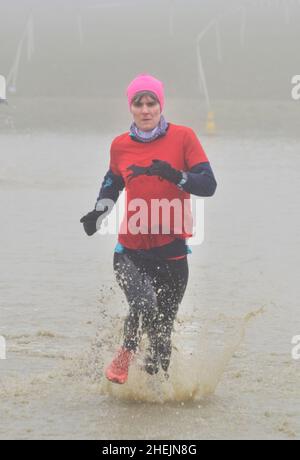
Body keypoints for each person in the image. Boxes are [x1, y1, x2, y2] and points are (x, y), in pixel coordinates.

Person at [80, 74, 217, 384]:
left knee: (161, 337)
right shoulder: (120, 145)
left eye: (150, 102)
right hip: (130, 253)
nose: (145, 109)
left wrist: (178, 176)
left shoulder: (184, 138)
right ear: (130, 107)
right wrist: (99, 211)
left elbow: (209, 185)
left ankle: (156, 396)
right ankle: (125, 353)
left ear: (160, 105)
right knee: (144, 304)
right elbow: (112, 181)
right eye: (138, 103)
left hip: (172, 255)